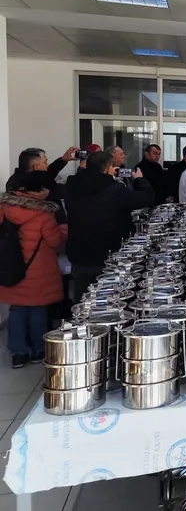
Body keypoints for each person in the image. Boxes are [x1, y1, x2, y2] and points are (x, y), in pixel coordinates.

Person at [65, 151, 154, 302]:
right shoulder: (114, 189)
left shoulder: (72, 185)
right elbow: (147, 198)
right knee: (109, 301)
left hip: (79, 254)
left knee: (83, 299)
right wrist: (140, 179)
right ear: (108, 168)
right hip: (108, 255)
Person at [0, 172, 67, 368]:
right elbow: (54, 241)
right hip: (38, 270)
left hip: (10, 268)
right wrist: (64, 228)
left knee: (17, 310)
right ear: (40, 191)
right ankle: (38, 349)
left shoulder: (5, 208)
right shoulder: (43, 214)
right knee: (38, 310)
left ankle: (18, 353)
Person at [6, 146, 78, 210]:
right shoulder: (39, 181)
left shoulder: (15, 178)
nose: (47, 165)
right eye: (45, 162)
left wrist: (62, 160)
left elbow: (47, 174)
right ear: (36, 167)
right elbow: (65, 190)